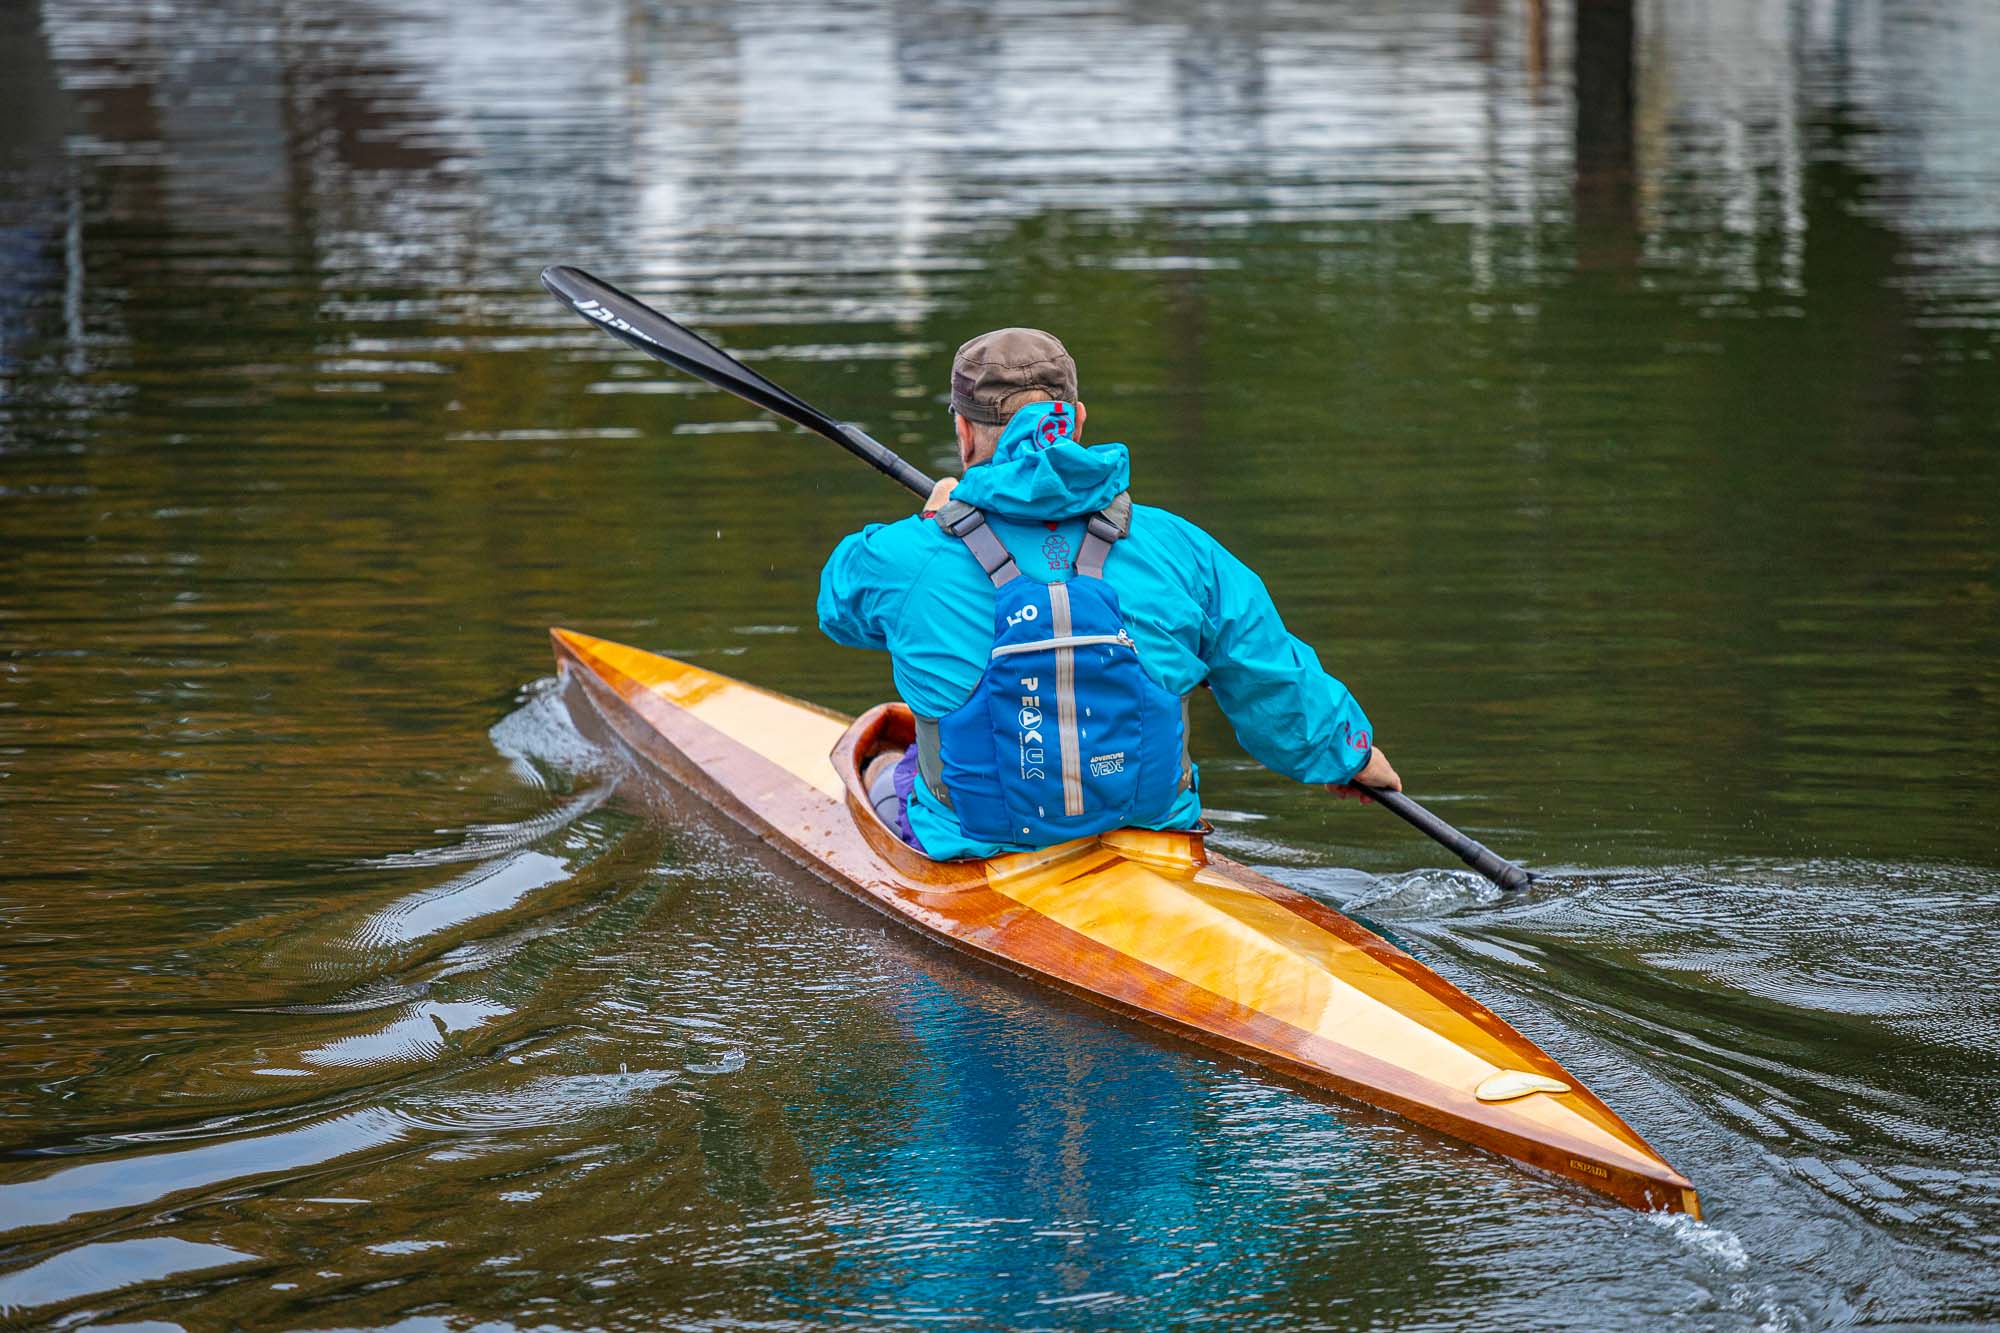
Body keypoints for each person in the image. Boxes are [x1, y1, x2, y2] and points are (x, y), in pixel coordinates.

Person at [817, 328, 1399, 860]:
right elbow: (1263, 666)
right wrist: (1347, 755)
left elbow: (838, 610)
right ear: (1078, 418)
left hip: (978, 847)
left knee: (880, 762)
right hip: (1151, 830)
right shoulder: (1178, 546)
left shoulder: (903, 557)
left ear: (964, 432)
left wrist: (932, 520)